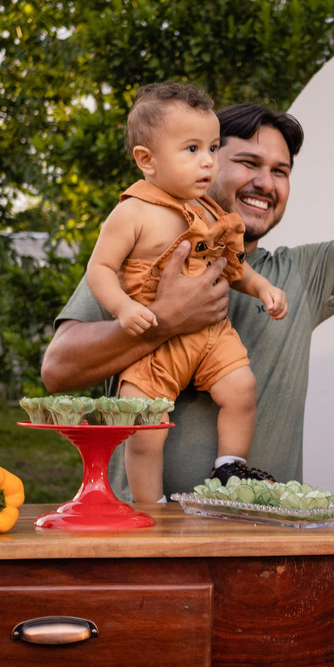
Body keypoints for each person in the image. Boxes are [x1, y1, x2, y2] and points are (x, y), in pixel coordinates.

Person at [41, 14, 334, 498]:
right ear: (202, 165)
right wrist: (165, 318)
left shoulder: (302, 274)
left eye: (281, 171)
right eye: (248, 162)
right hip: (146, 545)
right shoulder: (143, 253)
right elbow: (57, 371)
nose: (266, 183)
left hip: (263, 547)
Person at [85, 82, 288, 503]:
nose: (208, 162)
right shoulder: (132, 212)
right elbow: (99, 268)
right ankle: (150, 504)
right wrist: (123, 308)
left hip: (211, 335)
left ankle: (230, 465)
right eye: (192, 149)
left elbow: (235, 267)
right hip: (153, 345)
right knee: (144, 429)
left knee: (242, 389)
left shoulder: (209, 211)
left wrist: (263, 287)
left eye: (213, 149)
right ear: (147, 160)